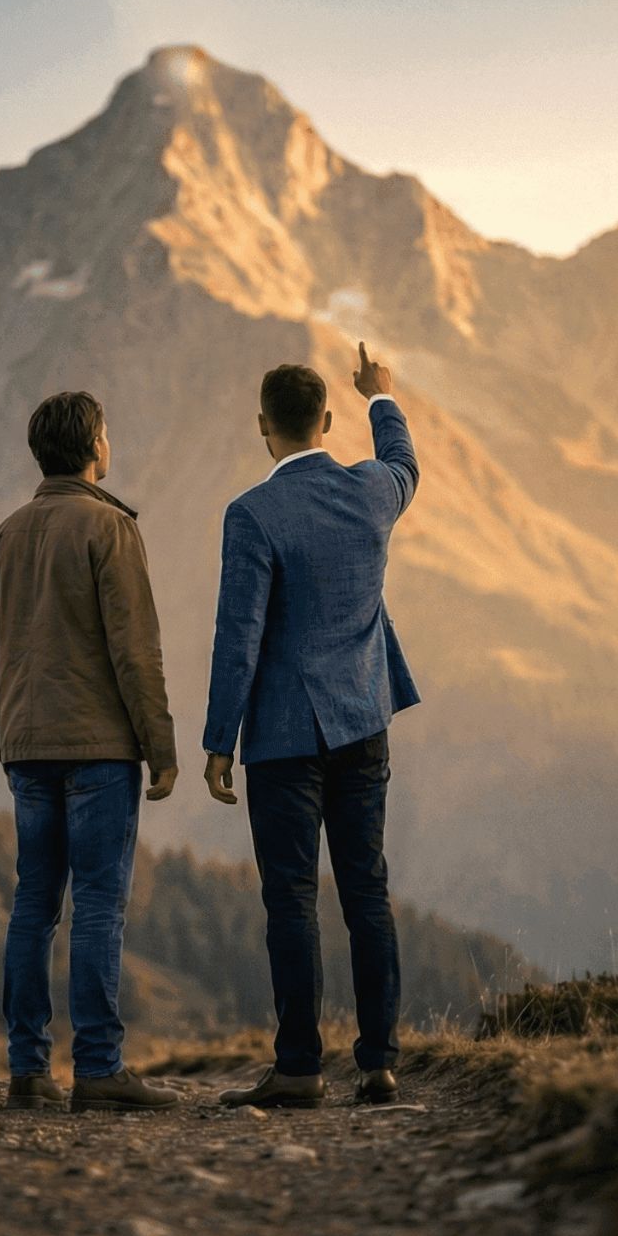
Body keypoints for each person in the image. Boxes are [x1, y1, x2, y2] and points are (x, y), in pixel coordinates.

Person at [202, 344, 419, 1108]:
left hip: (285, 738)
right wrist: (380, 396)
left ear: (263, 426)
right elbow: (403, 461)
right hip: (364, 721)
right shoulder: (371, 492)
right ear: (326, 421)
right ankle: (380, 1061)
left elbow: (240, 634)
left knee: (290, 898)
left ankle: (298, 1067)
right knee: (368, 891)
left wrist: (217, 740)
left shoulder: (252, 513)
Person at [0, 391, 182, 1113]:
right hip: (98, 748)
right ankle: (98, 1068)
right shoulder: (109, 528)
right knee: (98, 903)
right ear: (96, 444)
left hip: (28, 747)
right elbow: (136, 653)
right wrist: (161, 748)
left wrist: (11, 735)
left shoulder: (1, 537)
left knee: (33, 903)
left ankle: (27, 1070)